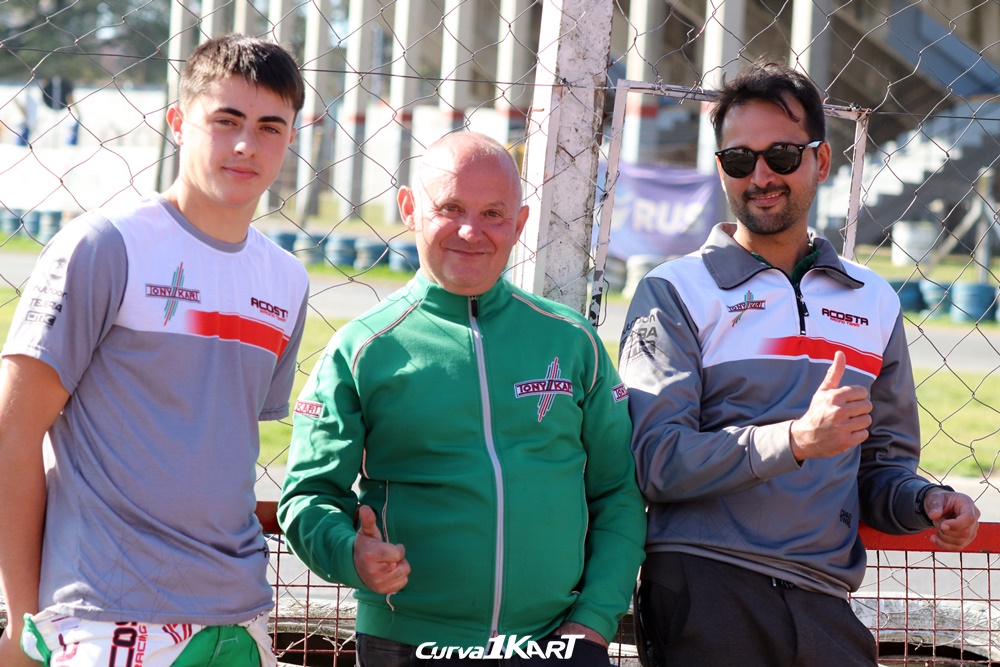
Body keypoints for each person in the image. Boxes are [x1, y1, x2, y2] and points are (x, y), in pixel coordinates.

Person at [618, 61, 981, 667]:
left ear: (822, 160)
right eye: (740, 160)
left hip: (823, 598)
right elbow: (655, 460)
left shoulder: (874, 299)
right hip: (707, 584)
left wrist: (927, 501)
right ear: (721, 169)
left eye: (782, 155)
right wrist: (793, 441)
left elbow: (881, 469)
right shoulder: (674, 290)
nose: (761, 176)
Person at [278, 131, 646, 666]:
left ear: (519, 223)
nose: (471, 231)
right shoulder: (362, 349)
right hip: (407, 641)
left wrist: (593, 621)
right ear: (409, 209)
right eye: (450, 208)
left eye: (493, 213)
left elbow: (618, 493)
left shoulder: (572, 341)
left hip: (555, 641)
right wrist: (348, 552)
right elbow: (307, 496)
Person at [0, 34, 309, 667]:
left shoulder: (286, 279)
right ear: (178, 121)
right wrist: (24, 622)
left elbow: (218, 452)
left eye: (269, 127)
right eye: (226, 120)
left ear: (291, 139)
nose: (247, 145)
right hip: (105, 616)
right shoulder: (105, 245)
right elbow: (12, 433)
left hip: (240, 617)